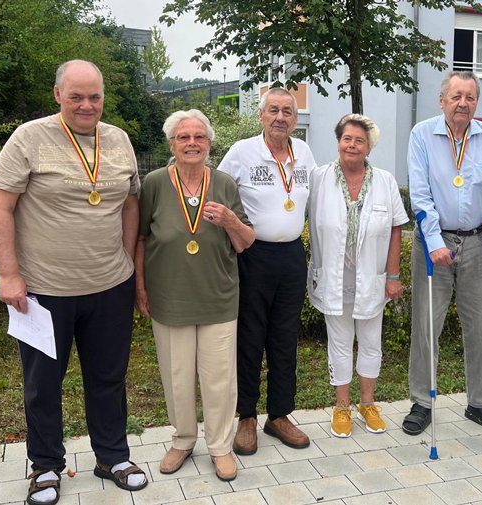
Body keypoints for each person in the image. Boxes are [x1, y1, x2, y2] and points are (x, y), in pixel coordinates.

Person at [0, 60, 147, 504]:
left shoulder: (118, 139)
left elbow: (130, 204)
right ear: (57, 95)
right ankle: (45, 466)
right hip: (42, 290)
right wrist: (9, 274)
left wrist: (126, 262)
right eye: (76, 96)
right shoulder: (30, 137)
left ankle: (112, 456)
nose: (86, 105)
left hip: (109, 285)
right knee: (42, 384)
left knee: (108, 377)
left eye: (94, 96)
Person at [135, 110, 255, 480]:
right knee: (177, 375)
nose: (191, 143)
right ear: (171, 144)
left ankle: (219, 447)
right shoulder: (154, 183)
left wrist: (231, 221)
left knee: (219, 377)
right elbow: (140, 238)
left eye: (199, 137)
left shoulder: (224, 184)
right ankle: (183, 439)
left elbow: (246, 241)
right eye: (183, 137)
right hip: (169, 298)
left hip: (218, 296)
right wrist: (139, 287)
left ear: (209, 143)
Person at [404, 71, 482, 436]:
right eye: (455, 96)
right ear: (442, 101)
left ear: (476, 103)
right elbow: (420, 197)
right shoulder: (422, 134)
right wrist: (434, 241)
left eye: (469, 97)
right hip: (432, 245)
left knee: (480, 327)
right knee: (426, 325)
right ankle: (422, 402)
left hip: (478, 243)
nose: (462, 103)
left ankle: (479, 403)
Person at [218, 88, 317, 454]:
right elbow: (218, 192)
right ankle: (246, 416)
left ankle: (279, 415)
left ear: (295, 118)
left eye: (287, 111)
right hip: (252, 256)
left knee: (284, 338)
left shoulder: (303, 151)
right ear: (261, 115)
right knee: (249, 337)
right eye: (273, 110)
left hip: (291, 255)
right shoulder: (242, 152)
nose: (280, 116)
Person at [307, 114, 408, 438]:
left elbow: (396, 229)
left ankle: (367, 404)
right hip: (334, 279)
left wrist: (393, 275)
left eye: (359, 140)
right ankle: (341, 407)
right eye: (347, 138)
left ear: (368, 147)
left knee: (371, 343)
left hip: (371, 279)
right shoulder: (319, 179)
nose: (352, 145)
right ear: (338, 142)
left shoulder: (385, 181)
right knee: (338, 343)